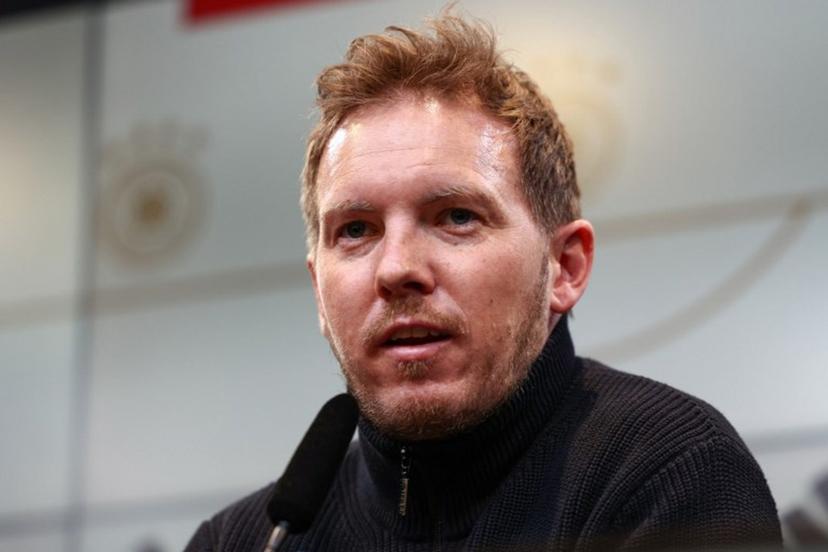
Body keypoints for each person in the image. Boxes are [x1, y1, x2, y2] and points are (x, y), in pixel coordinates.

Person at [186, 13, 781, 551]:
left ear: (565, 268)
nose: (396, 269)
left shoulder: (668, 474)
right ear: (319, 290)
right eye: (357, 230)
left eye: (457, 218)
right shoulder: (244, 540)